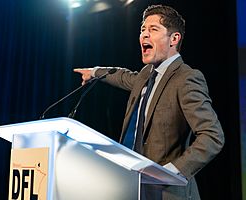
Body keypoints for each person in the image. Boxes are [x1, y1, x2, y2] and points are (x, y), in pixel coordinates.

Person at [74, 4, 225, 200]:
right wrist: (94, 72)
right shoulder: (146, 75)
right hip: (133, 188)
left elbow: (213, 136)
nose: (144, 35)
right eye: (142, 29)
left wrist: (171, 172)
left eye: (153, 29)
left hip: (168, 193)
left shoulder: (186, 78)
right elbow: (122, 76)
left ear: (174, 39)